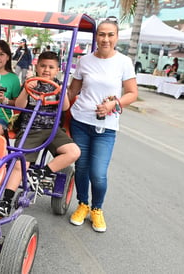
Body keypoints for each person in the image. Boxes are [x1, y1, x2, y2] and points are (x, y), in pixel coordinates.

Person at [67, 16, 138, 232]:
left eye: (110, 35)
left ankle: (97, 209)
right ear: (96, 36)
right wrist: (56, 108)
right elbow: (72, 91)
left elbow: (132, 94)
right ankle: (82, 204)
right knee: (81, 167)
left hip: (106, 127)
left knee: (98, 173)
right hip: (80, 121)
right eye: (101, 34)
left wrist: (113, 104)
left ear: (116, 37)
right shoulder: (85, 61)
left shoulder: (124, 62)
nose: (105, 39)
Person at [0, 51, 81, 218]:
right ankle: (5, 201)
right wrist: (26, 90)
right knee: (20, 164)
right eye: (43, 66)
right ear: (36, 66)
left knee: (74, 152)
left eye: (51, 67)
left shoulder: (59, 85)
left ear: (57, 70)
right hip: (30, 128)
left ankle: (41, 173)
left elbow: (64, 108)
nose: (46, 70)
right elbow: (19, 106)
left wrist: (63, 93)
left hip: (53, 129)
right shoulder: (29, 83)